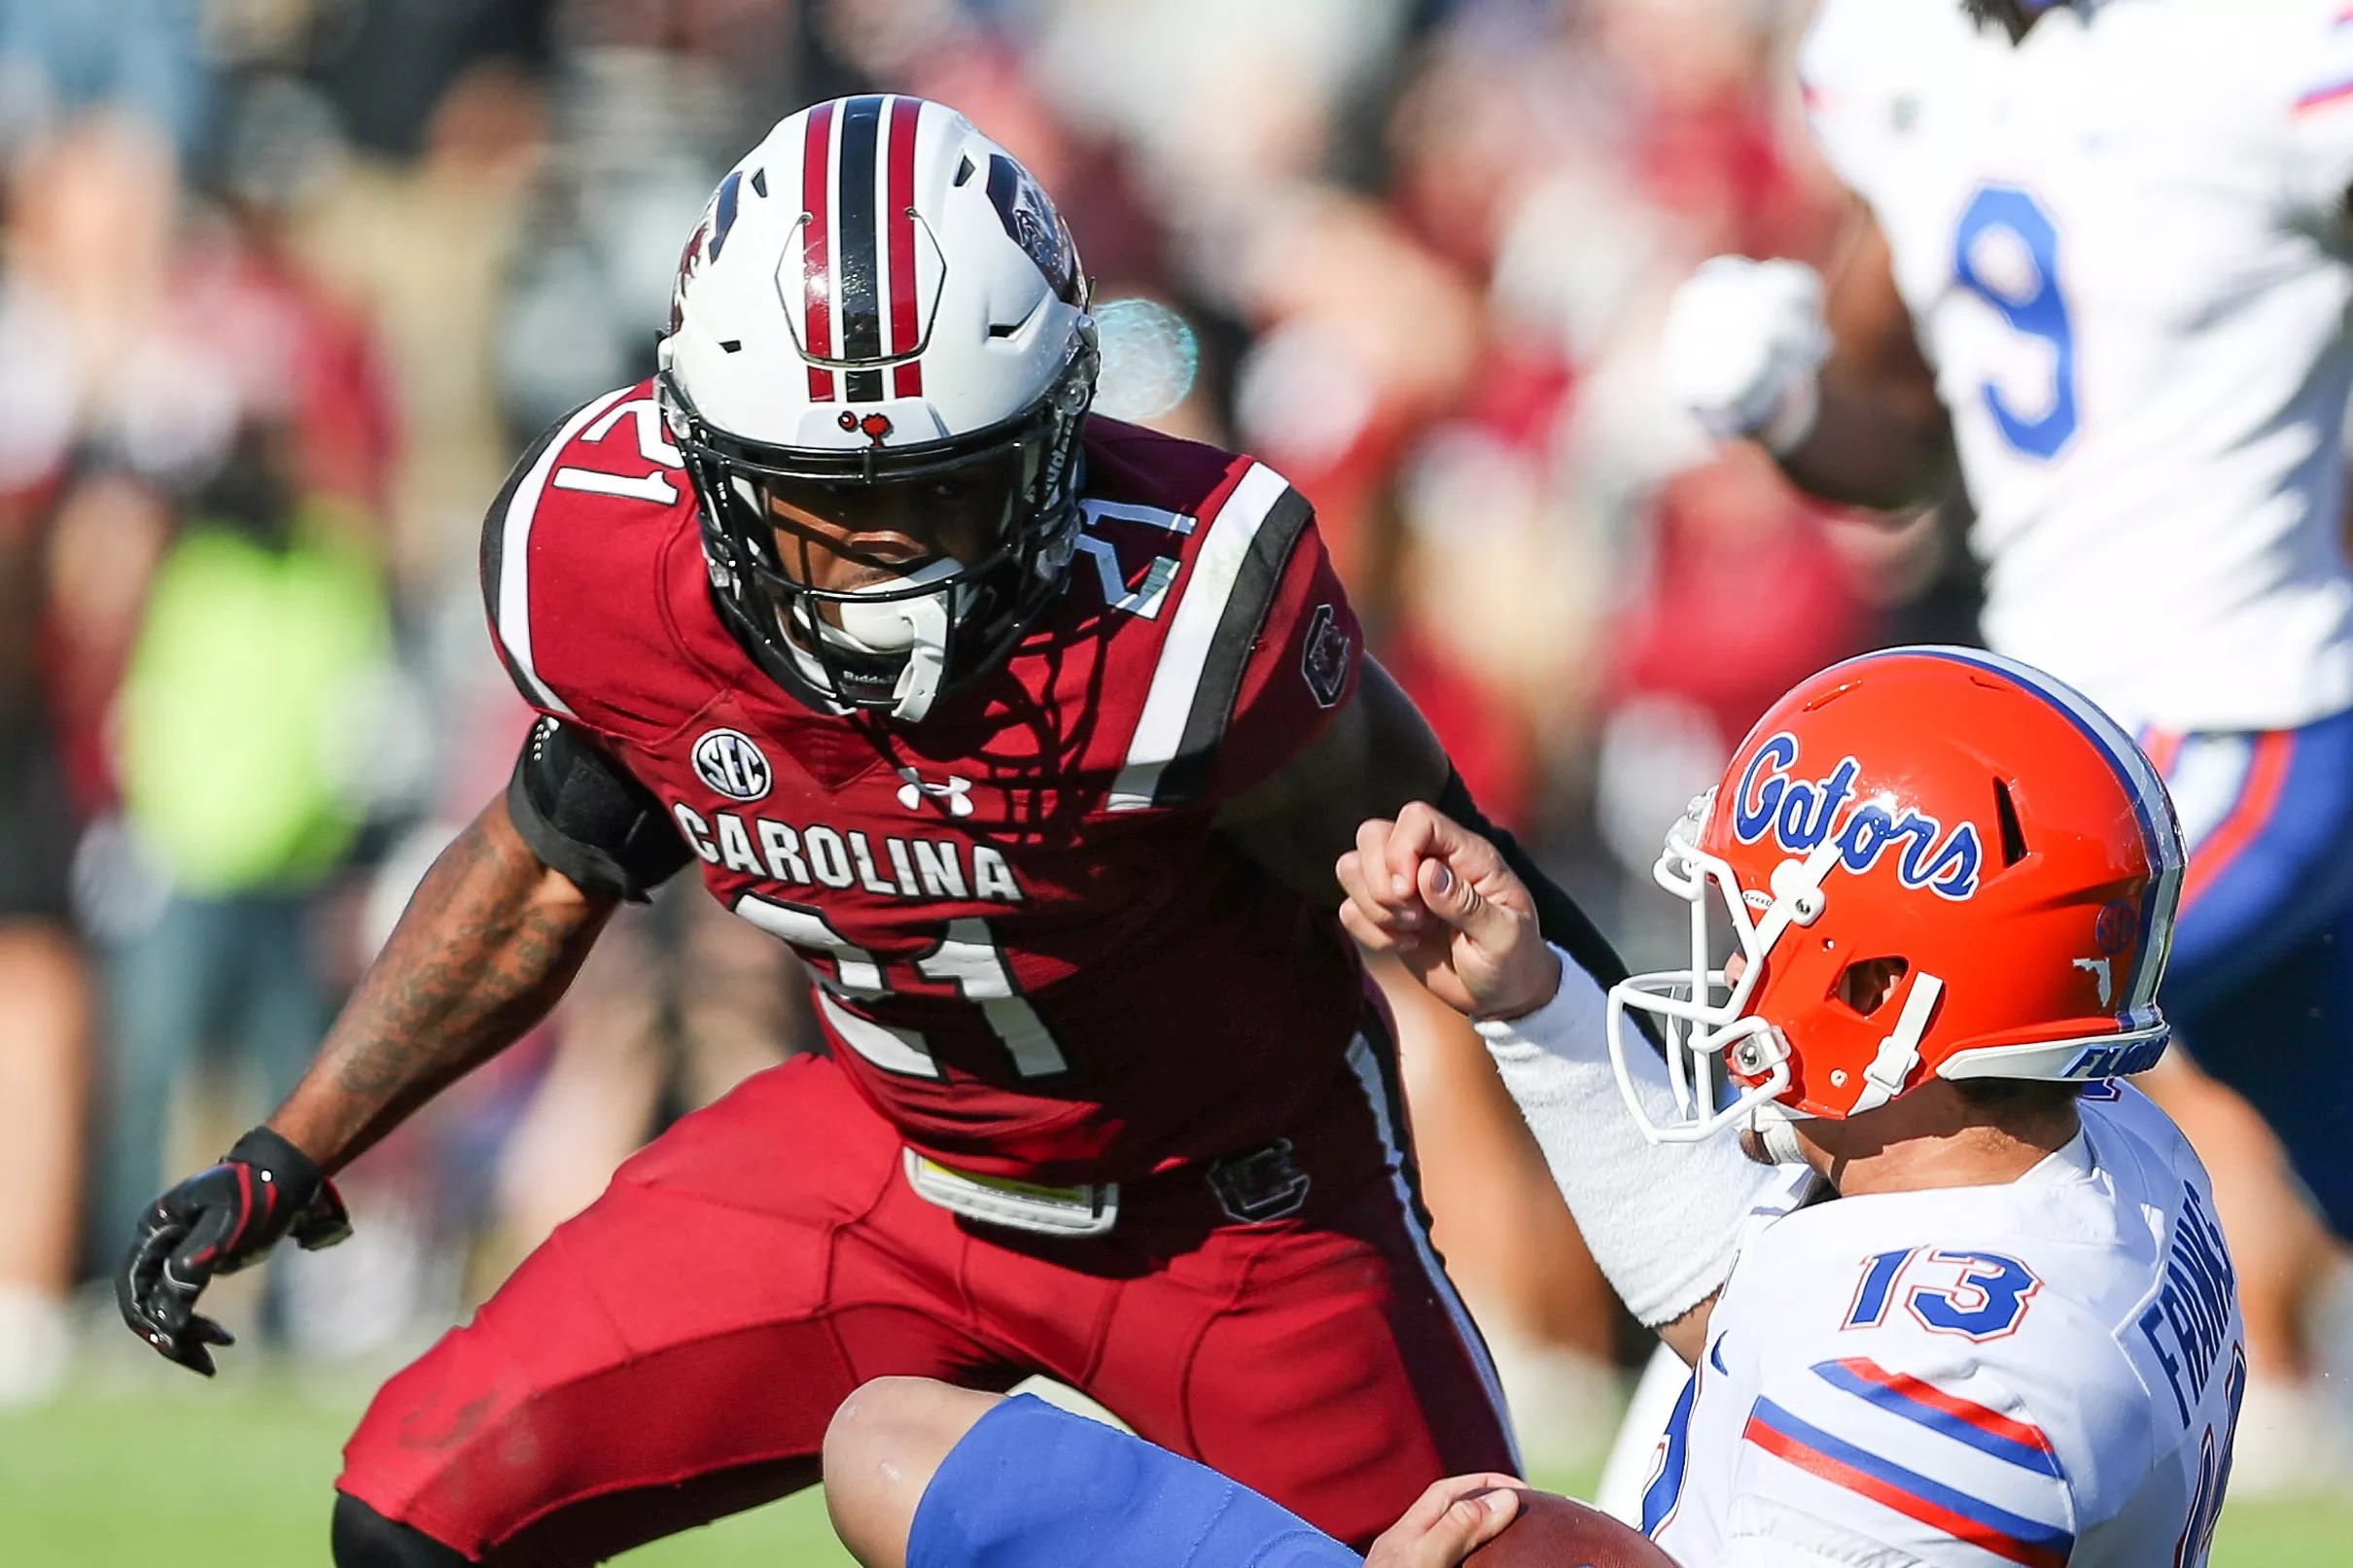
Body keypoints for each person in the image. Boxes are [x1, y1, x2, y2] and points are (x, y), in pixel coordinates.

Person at [109, 95, 1648, 1566]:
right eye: (817, 506)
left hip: (1235, 1214)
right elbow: (539, 868)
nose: (879, 573)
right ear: (702, 464)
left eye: (943, 495)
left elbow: (1472, 886)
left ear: (1055, 437)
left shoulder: (1189, 608)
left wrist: (1703, 1189)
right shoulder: (611, 555)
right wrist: (292, 1144)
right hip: (887, 1157)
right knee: (411, 1512)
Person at [823, 646, 2246, 1568]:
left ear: (1886, 988)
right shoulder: (2093, 1155)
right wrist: (1538, 1004)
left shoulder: (1962, 1398)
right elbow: (1747, 1302)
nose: (1732, 961)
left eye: (1763, 924)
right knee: (898, 1443)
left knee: (899, 1456)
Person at [1660, 0, 2353, 1476]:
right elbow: (1898, 429)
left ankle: (1774, 1488)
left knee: (1856, 1074)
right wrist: (1784, 398)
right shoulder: (1898, 54)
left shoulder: (2267, 47)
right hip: (2044, 735)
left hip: (2251, 717)